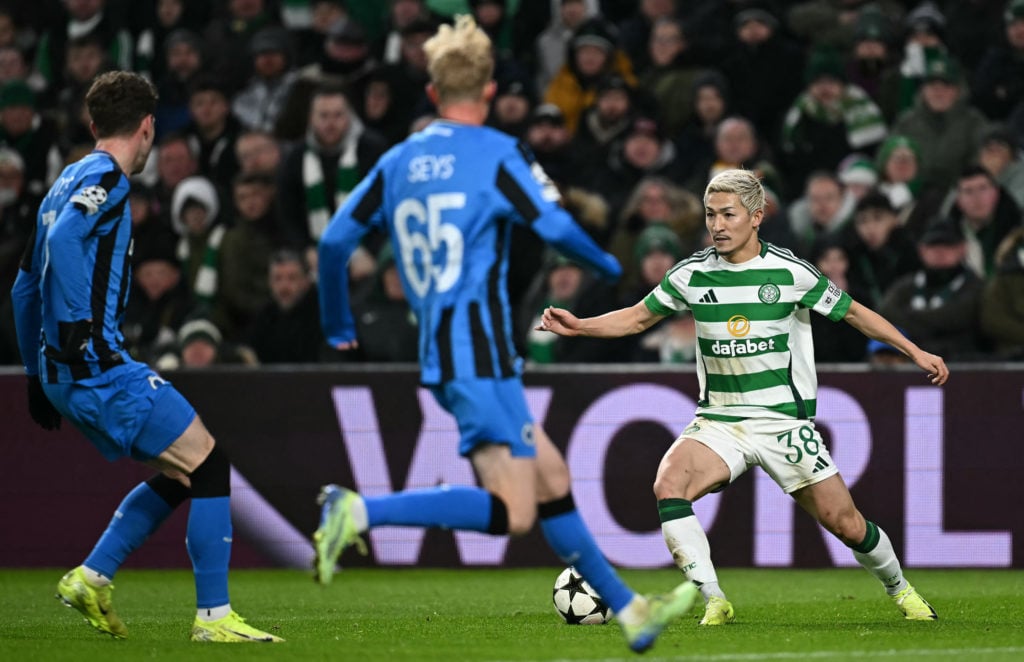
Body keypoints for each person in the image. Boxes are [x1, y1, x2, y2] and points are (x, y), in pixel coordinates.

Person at [314, 16, 697, 654]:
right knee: (515, 511)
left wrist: (336, 321)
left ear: (433, 94)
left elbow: (333, 244)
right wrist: (606, 264)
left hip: (447, 349)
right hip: (480, 353)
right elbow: (553, 226)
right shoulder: (496, 153)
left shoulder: (397, 160)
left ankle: (631, 613)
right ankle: (357, 513)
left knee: (551, 483)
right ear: (489, 91)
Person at [536, 168, 947, 627]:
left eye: (728, 214)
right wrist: (581, 324)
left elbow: (856, 314)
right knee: (669, 485)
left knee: (846, 523)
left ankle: (901, 589)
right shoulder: (691, 274)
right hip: (719, 421)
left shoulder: (789, 272)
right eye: (711, 214)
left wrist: (914, 351)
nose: (717, 224)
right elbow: (635, 319)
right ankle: (714, 599)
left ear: (756, 216)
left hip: (782, 422)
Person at [9, 71, 281, 643]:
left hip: (62, 370)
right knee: (207, 465)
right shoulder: (108, 178)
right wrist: (78, 331)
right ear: (148, 126)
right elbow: (61, 250)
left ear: (92, 124)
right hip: (98, 364)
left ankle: (93, 575)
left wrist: (38, 372)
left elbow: (23, 287)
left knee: (183, 470)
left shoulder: (62, 182)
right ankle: (214, 618)